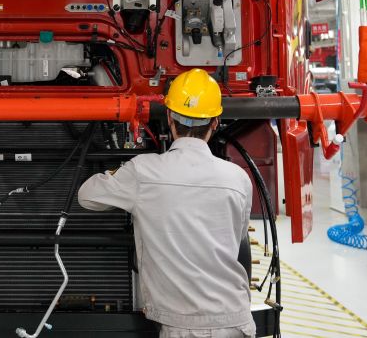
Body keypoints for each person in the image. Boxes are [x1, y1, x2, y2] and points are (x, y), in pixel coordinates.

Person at [77, 68, 255, 338]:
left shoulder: (143, 172)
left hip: (183, 326)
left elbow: (86, 195)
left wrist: (118, 174)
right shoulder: (238, 178)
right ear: (215, 122)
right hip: (236, 320)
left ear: (170, 117)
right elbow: (237, 238)